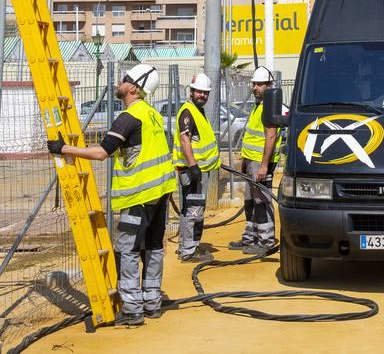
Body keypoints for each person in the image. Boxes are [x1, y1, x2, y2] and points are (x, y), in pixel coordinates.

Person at [47, 65, 177, 327]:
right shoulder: (152, 114)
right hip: (160, 194)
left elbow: (101, 153)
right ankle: (152, 302)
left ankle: (132, 309)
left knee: (127, 250)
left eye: (125, 79)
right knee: (153, 248)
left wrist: (65, 148)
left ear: (134, 88)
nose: (120, 81)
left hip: (137, 195)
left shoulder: (129, 117)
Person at [228, 67, 281, 255]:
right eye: (254, 84)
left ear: (269, 85)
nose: (255, 88)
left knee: (262, 201)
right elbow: (251, 137)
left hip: (260, 163)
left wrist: (264, 165)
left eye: (260, 84)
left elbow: (271, 137)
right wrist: (244, 161)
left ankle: (265, 241)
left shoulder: (269, 106)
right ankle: (250, 237)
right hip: (251, 162)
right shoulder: (258, 105)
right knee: (250, 200)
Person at [172, 73, 221, 263]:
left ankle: (187, 246)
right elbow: (185, 139)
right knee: (192, 210)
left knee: (193, 208)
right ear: (191, 92)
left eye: (205, 93)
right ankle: (189, 251)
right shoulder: (187, 112)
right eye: (199, 92)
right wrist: (193, 166)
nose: (203, 95)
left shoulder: (196, 111)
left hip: (197, 170)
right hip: (191, 171)